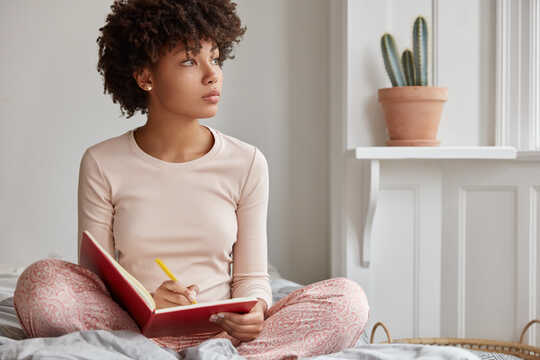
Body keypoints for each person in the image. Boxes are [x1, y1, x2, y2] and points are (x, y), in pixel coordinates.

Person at [13, 0, 370, 358]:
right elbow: (96, 283)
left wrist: (257, 311)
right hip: (134, 330)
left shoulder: (247, 162)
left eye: (214, 57)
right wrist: (148, 301)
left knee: (347, 301)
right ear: (145, 76)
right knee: (40, 285)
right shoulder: (102, 162)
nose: (211, 73)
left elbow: (251, 279)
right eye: (189, 60)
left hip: (225, 336)